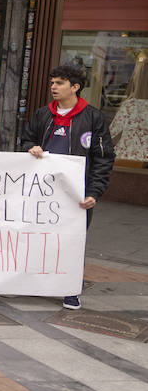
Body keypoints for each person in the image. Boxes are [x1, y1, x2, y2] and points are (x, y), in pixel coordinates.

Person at [22, 64, 115, 310]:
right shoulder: (43, 114)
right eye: (52, 82)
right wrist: (30, 147)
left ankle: (70, 289)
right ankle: (35, 281)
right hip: (43, 191)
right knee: (39, 237)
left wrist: (94, 192)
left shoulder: (94, 118)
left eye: (60, 83)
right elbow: (27, 138)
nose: (53, 87)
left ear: (75, 87)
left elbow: (103, 157)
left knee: (72, 241)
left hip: (76, 193)